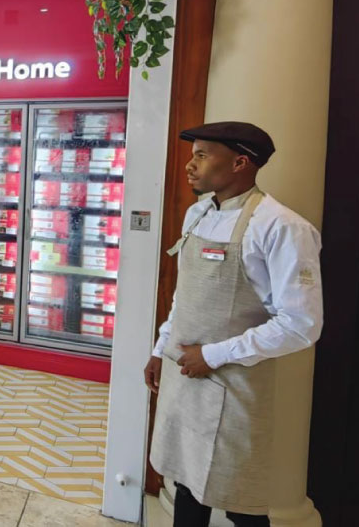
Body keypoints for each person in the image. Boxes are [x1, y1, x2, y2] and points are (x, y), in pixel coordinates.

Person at [144, 122, 323, 527]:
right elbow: (186, 295)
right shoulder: (197, 214)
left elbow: (301, 324)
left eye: (202, 155)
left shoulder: (282, 227)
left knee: (240, 498)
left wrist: (211, 355)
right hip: (183, 373)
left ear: (241, 162)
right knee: (185, 481)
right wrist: (160, 349)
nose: (190, 165)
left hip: (233, 384)